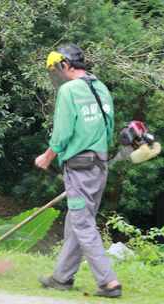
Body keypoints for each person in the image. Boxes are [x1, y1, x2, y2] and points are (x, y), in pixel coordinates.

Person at [34, 44, 122, 298]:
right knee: (76, 220)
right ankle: (62, 277)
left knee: (82, 223)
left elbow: (63, 131)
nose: (56, 75)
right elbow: (109, 126)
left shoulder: (69, 90)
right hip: (99, 164)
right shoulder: (101, 87)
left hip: (79, 167)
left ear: (64, 65)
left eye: (55, 69)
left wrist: (47, 156)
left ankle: (109, 282)